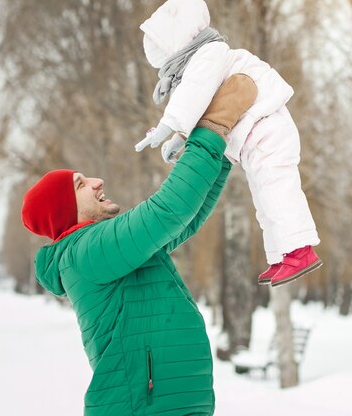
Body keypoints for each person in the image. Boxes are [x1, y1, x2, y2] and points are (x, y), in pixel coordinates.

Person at [21, 75, 257, 416]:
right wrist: (213, 125)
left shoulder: (100, 250)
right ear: (65, 210)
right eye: (81, 183)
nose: (97, 181)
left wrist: (221, 154)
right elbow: (168, 211)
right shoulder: (85, 253)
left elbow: (185, 219)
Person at [135, 0, 322, 287]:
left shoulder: (210, 53)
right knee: (263, 198)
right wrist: (180, 137)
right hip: (256, 136)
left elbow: (194, 95)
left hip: (267, 128)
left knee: (276, 189)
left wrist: (168, 125)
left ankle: (300, 250)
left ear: (178, 45)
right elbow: (201, 103)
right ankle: (280, 255)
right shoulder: (202, 62)